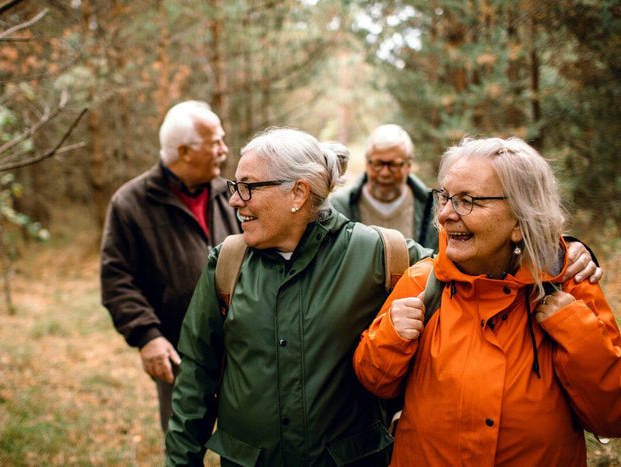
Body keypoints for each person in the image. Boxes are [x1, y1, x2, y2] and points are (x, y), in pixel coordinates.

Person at [163, 129, 601, 466]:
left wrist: (563, 249)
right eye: (235, 187)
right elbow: (196, 373)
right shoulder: (227, 264)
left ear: (298, 193)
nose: (236, 201)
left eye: (248, 187)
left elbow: (475, 261)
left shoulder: (379, 253)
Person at [353, 137, 620, 466]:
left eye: (468, 201)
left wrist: (576, 331)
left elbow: (612, 417)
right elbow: (375, 383)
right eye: (446, 198)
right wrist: (391, 336)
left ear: (520, 223)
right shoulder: (422, 283)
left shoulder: (569, 289)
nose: (446, 215)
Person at [100, 101, 241, 438]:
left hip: (243, 346)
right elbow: (117, 279)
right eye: (215, 142)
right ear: (185, 151)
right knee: (183, 445)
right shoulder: (131, 203)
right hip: (180, 354)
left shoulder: (231, 195)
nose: (224, 150)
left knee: (245, 445)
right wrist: (147, 336)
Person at [330, 123, 439, 250]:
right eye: (377, 164)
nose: (385, 173)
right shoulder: (340, 206)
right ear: (367, 163)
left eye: (393, 165)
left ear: (409, 166)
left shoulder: (432, 208)